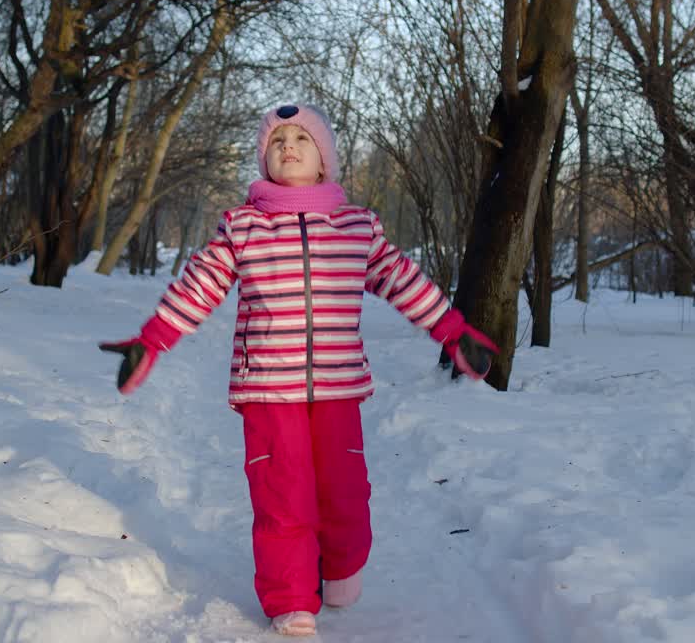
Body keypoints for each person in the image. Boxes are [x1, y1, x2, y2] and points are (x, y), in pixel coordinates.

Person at [99, 103, 497, 636]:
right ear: (265, 160)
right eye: (277, 139)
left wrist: (452, 331)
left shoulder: (355, 227)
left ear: (324, 160)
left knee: (345, 493)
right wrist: (152, 341)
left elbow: (405, 282)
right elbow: (198, 287)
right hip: (267, 390)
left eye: (301, 139)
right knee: (282, 495)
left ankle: (339, 568)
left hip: (338, 389)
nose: (288, 145)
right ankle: (291, 598)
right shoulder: (244, 228)